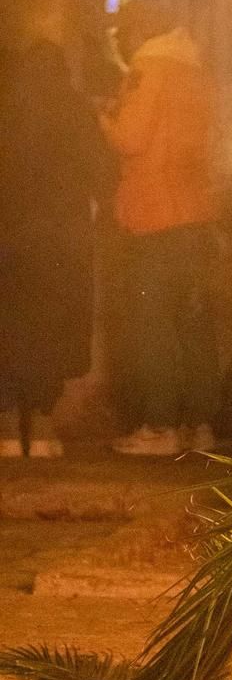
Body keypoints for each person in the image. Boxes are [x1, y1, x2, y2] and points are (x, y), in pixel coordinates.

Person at [101, 0, 219, 455]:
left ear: (138, 31)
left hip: (154, 217)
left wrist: (103, 116)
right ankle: (199, 425)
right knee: (194, 324)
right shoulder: (197, 71)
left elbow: (131, 137)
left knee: (154, 325)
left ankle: (160, 427)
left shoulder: (149, 68)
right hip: (198, 215)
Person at [0, 38, 105, 458]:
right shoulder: (75, 109)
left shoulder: (7, 109)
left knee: (10, 325)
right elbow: (98, 168)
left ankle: (8, 425)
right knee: (52, 329)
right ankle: (43, 423)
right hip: (62, 239)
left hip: (11, 236)